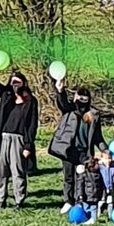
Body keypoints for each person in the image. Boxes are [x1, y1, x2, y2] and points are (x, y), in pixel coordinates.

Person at [0, 64, 38, 209]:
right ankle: (1, 199)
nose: (14, 85)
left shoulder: (31, 101)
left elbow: (32, 125)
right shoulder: (6, 96)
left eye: (17, 82)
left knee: (17, 171)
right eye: (12, 82)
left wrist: (28, 145)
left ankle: (19, 201)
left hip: (18, 140)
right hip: (2, 139)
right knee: (1, 171)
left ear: (23, 84)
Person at [46, 79, 97, 210]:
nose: (82, 101)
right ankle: (68, 200)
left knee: (82, 177)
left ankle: (81, 200)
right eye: (80, 97)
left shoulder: (93, 116)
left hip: (83, 152)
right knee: (68, 177)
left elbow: (98, 137)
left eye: (85, 98)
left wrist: (105, 150)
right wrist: (60, 90)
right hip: (68, 150)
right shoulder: (69, 111)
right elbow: (62, 103)